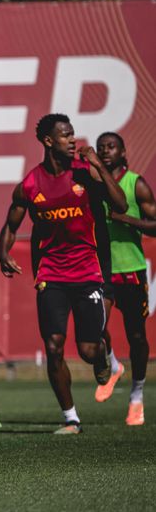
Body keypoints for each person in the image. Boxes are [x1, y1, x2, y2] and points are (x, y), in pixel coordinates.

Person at [0, 114, 127, 434]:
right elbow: (11, 225)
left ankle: (103, 354)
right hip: (51, 274)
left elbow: (120, 205)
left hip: (88, 272)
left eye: (72, 135)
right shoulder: (29, 184)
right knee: (54, 347)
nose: (73, 140)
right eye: (65, 135)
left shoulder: (85, 173)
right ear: (48, 141)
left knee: (87, 351)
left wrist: (97, 163)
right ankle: (71, 418)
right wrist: (3, 252)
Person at [96, 131, 154, 425]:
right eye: (101, 148)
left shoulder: (135, 184)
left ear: (122, 151)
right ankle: (113, 365)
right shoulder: (95, 185)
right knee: (94, 328)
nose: (106, 151)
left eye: (111, 147)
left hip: (131, 270)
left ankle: (137, 396)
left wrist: (128, 220)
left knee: (136, 335)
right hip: (101, 270)